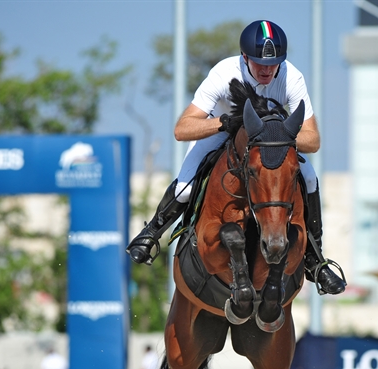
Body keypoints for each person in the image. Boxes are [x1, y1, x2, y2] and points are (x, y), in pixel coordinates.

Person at [126, 20, 346, 296]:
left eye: (273, 63)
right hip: (224, 132)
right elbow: (183, 129)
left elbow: (312, 139)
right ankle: (151, 233)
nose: (267, 70)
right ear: (245, 58)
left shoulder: (292, 77)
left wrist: (275, 134)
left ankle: (315, 259)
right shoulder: (223, 73)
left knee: (310, 177)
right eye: (259, 63)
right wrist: (224, 122)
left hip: (271, 141)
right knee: (186, 188)